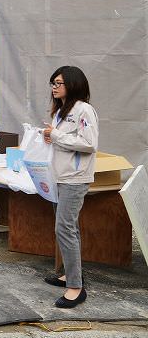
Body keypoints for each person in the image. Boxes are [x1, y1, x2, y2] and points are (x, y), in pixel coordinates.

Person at [42, 66, 98, 308]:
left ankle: (76, 287)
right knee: (69, 229)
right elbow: (63, 140)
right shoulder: (61, 111)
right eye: (53, 83)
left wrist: (55, 136)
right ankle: (70, 275)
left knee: (64, 229)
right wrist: (50, 136)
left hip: (75, 179)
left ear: (73, 84)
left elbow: (89, 143)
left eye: (59, 83)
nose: (54, 87)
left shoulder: (84, 110)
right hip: (60, 177)